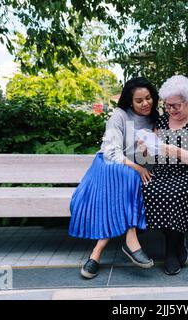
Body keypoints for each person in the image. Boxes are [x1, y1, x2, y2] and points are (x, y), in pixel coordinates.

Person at [68, 77, 159, 279]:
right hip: (107, 166)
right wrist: (136, 166)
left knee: (126, 184)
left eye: (148, 98)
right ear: (129, 101)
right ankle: (131, 241)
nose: (146, 103)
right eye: (139, 100)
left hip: (130, 174)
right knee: (130, 177)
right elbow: (110, 151)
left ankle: (96, 254)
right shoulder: (118, 116)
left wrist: (146, 153)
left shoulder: (155, 119)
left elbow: (152, 156)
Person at [141, 75, 188, 275]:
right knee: (148, 190)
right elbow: (153, 153)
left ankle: (171, 251)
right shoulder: (162, 121)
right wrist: (145, 149)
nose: (171, 110)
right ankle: (177, 242)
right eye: (167, 106)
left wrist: (176, 151)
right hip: (164, 172)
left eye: (176, 106)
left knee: (175, 193)